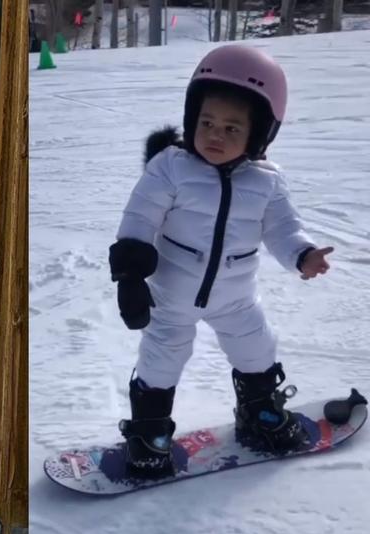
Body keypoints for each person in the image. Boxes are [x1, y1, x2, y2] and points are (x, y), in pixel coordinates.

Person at [110, 44, 333, 480]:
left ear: (260, 133)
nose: (216, 135)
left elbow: (284, 227)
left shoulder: (266, 182)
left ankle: (259, 412)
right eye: (207, 122)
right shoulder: (169, 168)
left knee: (257, 348)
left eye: (233, 128)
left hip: (236, 298)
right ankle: (149, 434)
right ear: (192, 117)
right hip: (171, 296)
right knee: (161, 359)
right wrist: (130, 275)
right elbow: (139, 218)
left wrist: (303, 254)